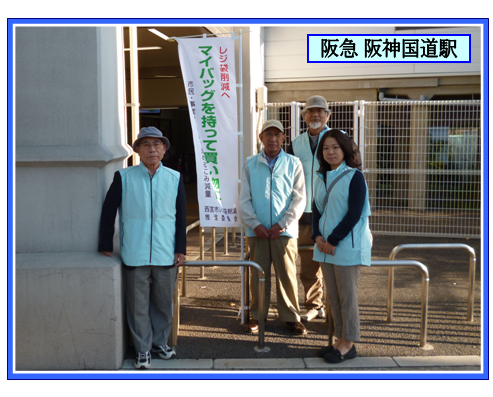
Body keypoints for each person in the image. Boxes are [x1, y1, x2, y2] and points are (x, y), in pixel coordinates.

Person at [98, 126, 186, 370]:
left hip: (166, 252)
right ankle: (142, 349)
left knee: (163, 304)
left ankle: (160, 343)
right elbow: (108, 212)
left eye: (157, 144)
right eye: (146, 145)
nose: (152, 149)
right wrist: (105, 243)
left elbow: (180, 217)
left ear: (164, 149)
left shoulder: (174, 178)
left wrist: (180, 248)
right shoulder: (124, 176)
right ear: (137, 150)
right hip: (134, 253)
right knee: (138, 306)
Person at [240, 120, 307, 335]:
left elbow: (299, 199)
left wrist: (282, 224)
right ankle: (258, 316)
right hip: (256, 232)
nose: (273, 138)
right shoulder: (250, 163)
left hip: (284, 231)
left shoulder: (293, 163)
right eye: (268, 134)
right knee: (258, 274)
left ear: (283, 138)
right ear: (261, 138)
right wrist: (255, 224)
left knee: (287, 274)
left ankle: (291, 317)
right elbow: (244, 199)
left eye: (277, 134)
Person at [311, 129, 371, 363]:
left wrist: (333, 240)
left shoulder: (354, 176)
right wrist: (316, 236)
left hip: (345, 246)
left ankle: (349, 343)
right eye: (326, 148)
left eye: (335, 147)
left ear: (345, 149)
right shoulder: (321, 176)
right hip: (325, 247)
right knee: (333, 297)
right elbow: (317, 209)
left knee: (347, 296)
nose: (330, 152)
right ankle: (339, 340)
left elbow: (354, 213)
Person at [286, 95, 331, 322]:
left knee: (328, 263)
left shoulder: (337, 140)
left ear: (327, 115)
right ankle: (310, 305)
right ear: (304, 117)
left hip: (328, 212)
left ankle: (325, 307)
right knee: (306, 263)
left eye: (319, 111)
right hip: (302, 213)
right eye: (310, 111)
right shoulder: (296, 143)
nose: (315, 115)